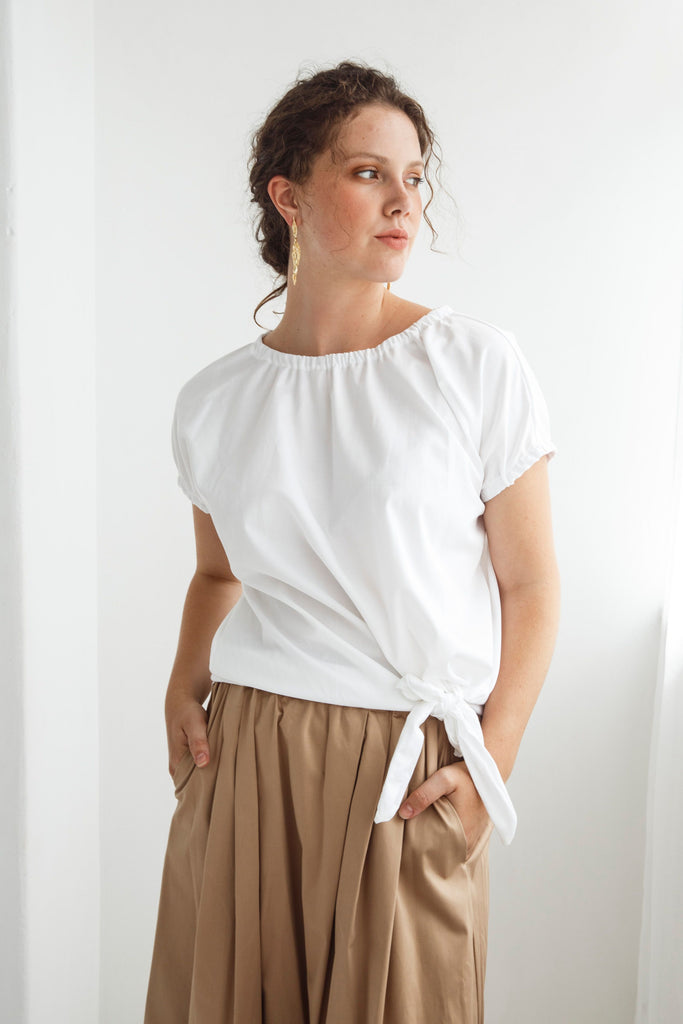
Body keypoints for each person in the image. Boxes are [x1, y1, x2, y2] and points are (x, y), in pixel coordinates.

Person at [144, 60, 561, 1024]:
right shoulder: (214, 401)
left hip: (404, 768)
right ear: (286, 194)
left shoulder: (470, 365)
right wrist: (181, 676)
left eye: (414, 177)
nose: (403, 200)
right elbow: (217, 570)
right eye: (368, 173)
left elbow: (531, 586)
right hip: (249, 756)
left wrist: (489, 760)